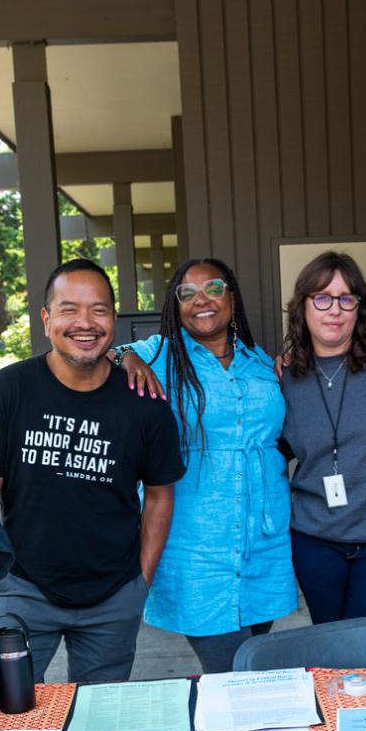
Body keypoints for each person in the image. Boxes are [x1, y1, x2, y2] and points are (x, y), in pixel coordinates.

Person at [0, 258, 185, 683]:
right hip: (22, 588)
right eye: (69, 309)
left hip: (114, 594)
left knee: (103, 722)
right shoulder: (6, 392)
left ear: (113, 320)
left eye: (98, 310)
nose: (85, 322)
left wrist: (140, 582)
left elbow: (159, 495)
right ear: (46, 319)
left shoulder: (145, 403)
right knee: (7, 713)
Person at [115, 258, 297, 672]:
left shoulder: (261, 363)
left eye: (213, 289)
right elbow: (99, 353)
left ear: (231, 297)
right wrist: (126, 357)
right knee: (230, 671)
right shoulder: (158, 353)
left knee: (251, 662)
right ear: (175, 305)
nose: (202, 300)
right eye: (187, 293)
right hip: (196, 544)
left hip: (263, 540)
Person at [279, 251, 366, 628]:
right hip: (315, 542)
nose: (334, 310)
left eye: (346, 298)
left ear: (360, 307)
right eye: (322, 298)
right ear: (303, 307)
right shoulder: (284, 379)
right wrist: (126, 354)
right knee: (329, 649)